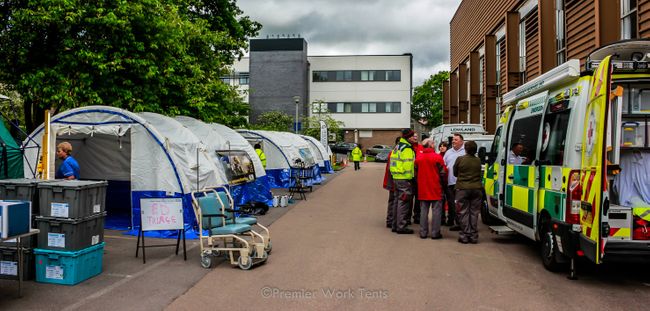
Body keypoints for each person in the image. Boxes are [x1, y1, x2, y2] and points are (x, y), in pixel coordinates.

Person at [415, 139, 447, 239]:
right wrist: (443, 185)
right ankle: (435, 233)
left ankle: (423, 232)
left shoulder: (418, 158)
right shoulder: (437, 157)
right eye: (433, 143)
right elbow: (443, 173)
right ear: (431, 145)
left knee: (423, 211)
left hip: (423, 188)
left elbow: (415, 173)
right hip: (435, 187)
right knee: (436, 211)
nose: (434, 144)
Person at [453, 141, 483, 244]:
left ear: (465, 149)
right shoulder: (478, 160)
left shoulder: (460, 159)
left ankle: (465, 235)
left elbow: (455, 172)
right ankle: (474, 235)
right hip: (477, 189)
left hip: (462, 189)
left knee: (463, 212)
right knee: (474, 212)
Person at [389, 129, 417, 234]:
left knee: (397, 201)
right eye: (412, 136)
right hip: (404, 178)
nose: (414, 138)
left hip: (396, 177)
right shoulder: (407, 148)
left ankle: (395, 225)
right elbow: (408, 165)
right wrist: (410, 178)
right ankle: (401, 226)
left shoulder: (398, 146)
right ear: (408, 137)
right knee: (404, 202)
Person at [443, 133, 465, 231]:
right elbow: (443, 166)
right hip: (450, 182)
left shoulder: (466, 152)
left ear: (461, 141)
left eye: (456, 140)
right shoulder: (448, 152)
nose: (453, 141)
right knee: (451, 203)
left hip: (461, 183)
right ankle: (451, 220)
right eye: (453, 140)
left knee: (460, 204)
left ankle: (459, 223)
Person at [383, 137, 401, 228]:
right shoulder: (395, 153)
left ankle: (391, 220)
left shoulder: (393, 152)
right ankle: (391, 220)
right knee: (394, 200)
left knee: (393, 201)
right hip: (395, 181)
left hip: (393, 180)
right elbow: (392, 169)